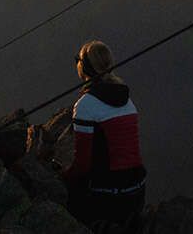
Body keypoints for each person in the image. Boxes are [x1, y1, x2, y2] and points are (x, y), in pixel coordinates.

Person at [60, 40, 145, 229]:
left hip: (108, 196)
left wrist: (61, 177)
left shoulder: (86, 106)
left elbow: (82, 164)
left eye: (78, 60)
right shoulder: (128, 102)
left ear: (86, 68)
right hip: (137, 191)